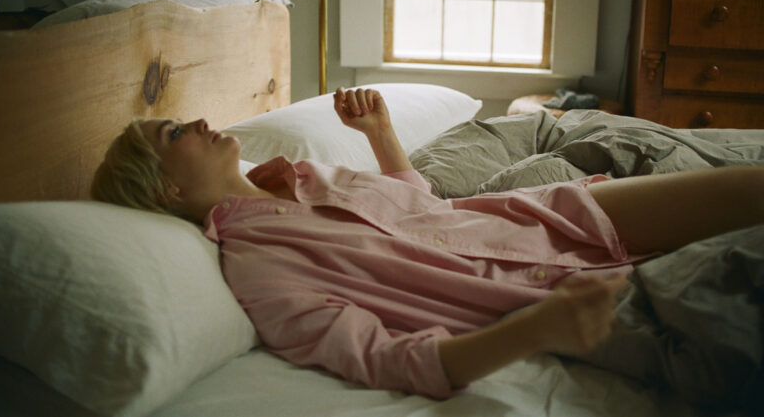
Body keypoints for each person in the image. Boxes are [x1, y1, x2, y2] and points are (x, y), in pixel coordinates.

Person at [92, 87, 764, 402]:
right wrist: (536, 329)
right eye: (173, 132)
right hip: (545, 290)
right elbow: (395, 361)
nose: (198, 120)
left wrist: (382, 138)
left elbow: (424, 211)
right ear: (164, 190)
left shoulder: (304, 173)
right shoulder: (258, 272)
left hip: (547, 218)